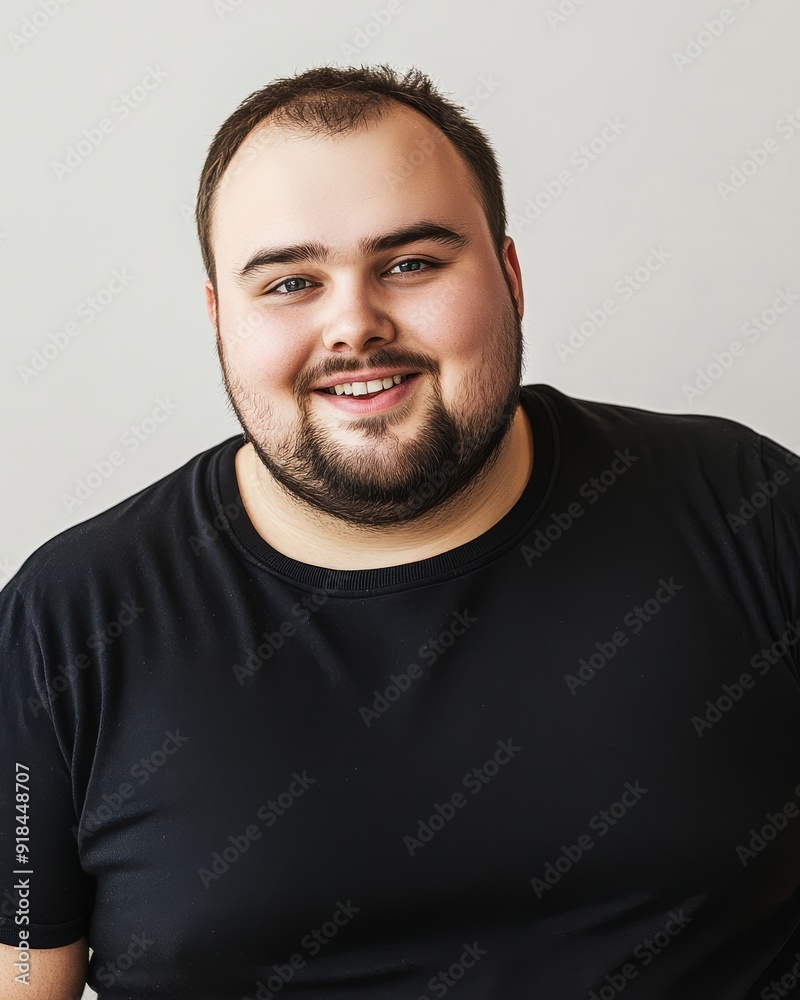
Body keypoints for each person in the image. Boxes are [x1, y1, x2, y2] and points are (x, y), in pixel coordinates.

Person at [1, 62, 799, 1000]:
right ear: (219, 319)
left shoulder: (745, 506)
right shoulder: (69, 619)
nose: (355, 326)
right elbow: (22, 973)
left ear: (509, 275)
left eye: (412, 263)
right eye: (290, 282)